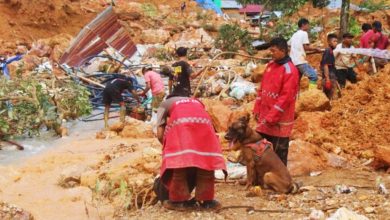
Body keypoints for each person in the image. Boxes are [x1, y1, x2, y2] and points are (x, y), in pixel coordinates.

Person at [156, 96, 226, 211]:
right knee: (205, 161)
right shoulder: (196, 101)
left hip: (181, 122)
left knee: (179, 163)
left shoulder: (164, 104)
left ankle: (178, 202)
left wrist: (168, 149)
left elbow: (160, 133)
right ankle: (207, 201)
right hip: (205, 123)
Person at [253, 37, 299, 166]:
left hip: (279, 121)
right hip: (265, 117)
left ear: (283, 50)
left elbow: (286, 98)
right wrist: (257, 109)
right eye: (270, 51)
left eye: (274, 51)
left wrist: (272, 117)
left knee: (278, 154)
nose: (271, 54)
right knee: (260, 151)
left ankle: (280, 181)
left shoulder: (290, 70)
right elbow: (262, 89)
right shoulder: (270, 65)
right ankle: (259, 179)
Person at [288, 18, 322, 89]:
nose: (308, 27)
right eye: (308, 25)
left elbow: (289, 45)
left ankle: (295, 96)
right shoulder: (304, 33)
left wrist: (296, 50)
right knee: (313, 76)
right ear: (303, 25)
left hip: (293, 61)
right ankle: (312, 93)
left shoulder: (294, 34)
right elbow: (306, 47)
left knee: (297, 80)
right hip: (300, 61)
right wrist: (316, 48)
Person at [320, 34, 338, 100]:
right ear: (329, 42)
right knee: (330, 95)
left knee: (330, 94)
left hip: (331, 75)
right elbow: (325, 65)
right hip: (329, 76)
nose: (336, 43)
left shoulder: (330, 51)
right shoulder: (328, 51)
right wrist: (327, 79)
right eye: (334, 41)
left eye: (337, 41)